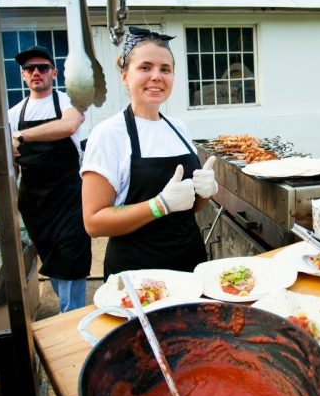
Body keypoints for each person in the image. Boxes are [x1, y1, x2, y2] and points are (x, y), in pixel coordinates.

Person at [81, 27, 218, 279]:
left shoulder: (179, 128)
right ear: (125, 76)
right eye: (145, 67)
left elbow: (191, 208)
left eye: (165, 69)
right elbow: (94, 222)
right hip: (138, 277)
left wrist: (205, 194)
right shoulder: (108, 134)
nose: (156, 76)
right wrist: (159, 205)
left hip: (191, 267)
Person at [8, 45, 91, 313]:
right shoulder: (13, 114)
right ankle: (70, 311)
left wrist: (22, 136)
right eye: (29, 69)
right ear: (23, 75)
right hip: (35, 203)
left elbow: (68, 125)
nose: (35, 72)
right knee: (53, 262)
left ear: (53, 73)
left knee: (71, 258)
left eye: (42, 67)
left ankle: (72, 319)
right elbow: (13, 164)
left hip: (69, 197)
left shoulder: (69, 103)